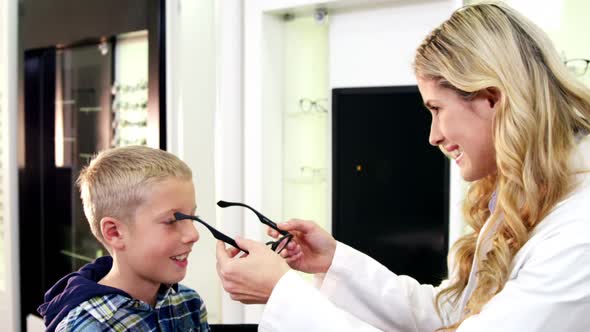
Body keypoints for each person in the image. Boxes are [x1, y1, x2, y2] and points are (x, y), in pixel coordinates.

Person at [215, 2, 590, 331]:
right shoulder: (531, 197)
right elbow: (448, 315)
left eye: (437, 110)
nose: (434, 136)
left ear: (491, 98)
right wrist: (333, 261)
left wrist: (284, 296)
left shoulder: (578, 232)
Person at [38, 146, 211, 332]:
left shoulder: (189, 303)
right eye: (171, 221)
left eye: (193, 218)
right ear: (114, 233)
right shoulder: (87, 327)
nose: (194, 234)